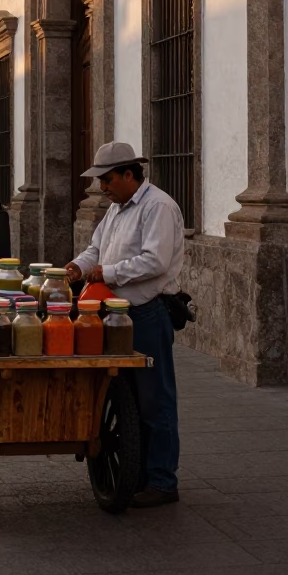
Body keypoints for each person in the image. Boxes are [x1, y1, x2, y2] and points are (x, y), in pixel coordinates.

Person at [65, 142, 184, 508]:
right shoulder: (116, 210)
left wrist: (109, 272)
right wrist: (77, 268)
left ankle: (163, 481)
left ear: (129, 175)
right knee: (126, 397)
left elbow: (155, 261)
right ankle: (137, 473)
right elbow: (95, 250)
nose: (102, 187)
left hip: (147, 313)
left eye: (107, 179)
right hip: (116, 312)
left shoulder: (158, 206)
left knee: (155, 399)